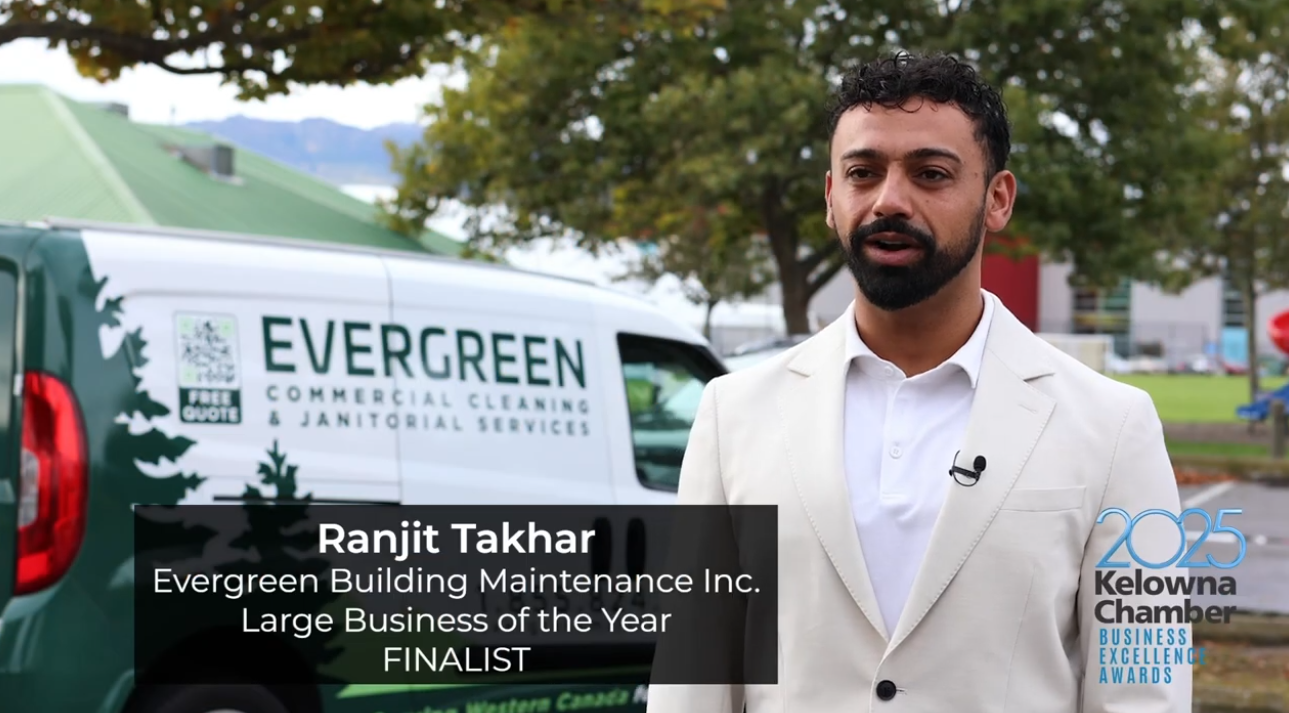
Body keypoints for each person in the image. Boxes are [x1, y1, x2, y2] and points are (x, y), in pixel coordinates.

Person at [645, 51, 1192, 713]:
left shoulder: (1113, 426)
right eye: (863, 173)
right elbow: (692, 676)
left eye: (930, 173)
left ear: (997, 199)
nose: (889, 201)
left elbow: (1144, 693)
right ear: (830, 198)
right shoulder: (733, 413)